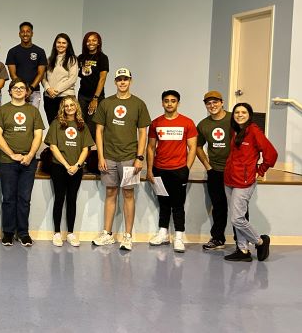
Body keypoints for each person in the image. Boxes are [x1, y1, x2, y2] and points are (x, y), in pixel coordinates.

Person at [91, 68, 150, 251]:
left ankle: (128, 236)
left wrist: (139, 158)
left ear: (130, 81)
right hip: (109, 157)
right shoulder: (106, 103)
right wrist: (100, 156)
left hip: (129, 158)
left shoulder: (138, 104)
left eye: (125, 79)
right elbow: (99, 131)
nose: (122, 82)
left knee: (128, 195)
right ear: (115, 82)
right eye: (119, 79)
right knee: (110, 193)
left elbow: (143, 133)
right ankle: (107, 234)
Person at [0, 78, 44, 246]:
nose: (19, 90)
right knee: (8, 198)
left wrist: (30, 155)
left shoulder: (33, 111)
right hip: (7, 161)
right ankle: (7, 232)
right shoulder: (2, 110)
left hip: (28, 162)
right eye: (16, 88)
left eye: (22, 88)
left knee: (24, 199)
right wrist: (12, 154)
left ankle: (23, 232)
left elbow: (38, 135)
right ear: (10, 91)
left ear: (27, 92)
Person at [223, 103, 277, 262]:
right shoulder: (234, 130)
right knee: (235, 216)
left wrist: (260, 171)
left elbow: (271, 154)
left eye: (243, 112)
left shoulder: (253, 130)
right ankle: (243, 250)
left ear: (249, 114)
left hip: (244, 182)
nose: (239, 114)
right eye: (237, 112)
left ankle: (260, 241)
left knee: (237, 218)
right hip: (229, 179)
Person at [146, 90, 197, 253]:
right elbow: (151, 147)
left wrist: (186, 168)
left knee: (178, 205)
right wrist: (149, 169)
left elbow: (193, 147)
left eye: (173, 101)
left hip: (179, 170)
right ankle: (163, 233)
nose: (169, 103)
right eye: (166, 100)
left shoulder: (187, 122)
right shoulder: (155, 123)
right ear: (162, 103)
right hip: (160, 169)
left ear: (178, 103)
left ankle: (179, 237)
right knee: (163, 203)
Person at [44, 96, 93, 247]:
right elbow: (53, 146)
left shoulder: (82, 125)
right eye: (66, 106)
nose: (69, 108)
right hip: (59, 167)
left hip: (76, 168)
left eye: (72, 105)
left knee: (72, 200)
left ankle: (71, 233)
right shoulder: (56, 123)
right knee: (59, 198)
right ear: (62, 108)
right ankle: (57, 233)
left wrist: (77, 165)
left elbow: (86, 148)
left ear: (76, 107)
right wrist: (66, 165)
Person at [196, 90, 238, 251]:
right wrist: (208, 166)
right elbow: (198, 146)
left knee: (239, 207)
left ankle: (241, 240)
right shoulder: (203, 125)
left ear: (222, 102)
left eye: (215, 102)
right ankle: (218, 238)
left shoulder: (233, 119)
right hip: (215, 171)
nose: (212, 105)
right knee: (218, 205)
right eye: (208, 103)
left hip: (235, 171)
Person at [77, 31, 109, 173]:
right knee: (81, 125)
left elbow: (102, 78)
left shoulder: (102, 58)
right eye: (88, 40)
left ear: (98, 42)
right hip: (82, 96)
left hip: (96, 97)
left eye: (94, 40)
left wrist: (95, 98)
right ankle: (81, 159)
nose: (91, 43)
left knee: (91, 127)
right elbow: (80, 75)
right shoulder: (81, 58)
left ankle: (90, 161)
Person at [5, 22, 47, 108]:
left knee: (33, 118)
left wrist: (30, 89)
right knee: (18, 119)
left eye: (28, 31)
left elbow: (40, 73)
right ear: (19, 34)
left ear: (32, 33)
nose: (25, 34)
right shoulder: (12, 52)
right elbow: (12, 74)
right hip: (18, 91)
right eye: (22, 32)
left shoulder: (40, 51)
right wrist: (22, 89)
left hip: (34, 91)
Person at [41, 33, 78, 124]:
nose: (61, 45)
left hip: (65, 97)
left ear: (68, 45)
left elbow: (72, 79)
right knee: (53, 125)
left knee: (66, 125)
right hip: (49, 97)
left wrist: (56, 91)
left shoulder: (72, 59)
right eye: (59, 42)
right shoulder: (49, 60)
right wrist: (48, 89)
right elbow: (43, 77)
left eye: (64, 43)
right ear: (55, 44)